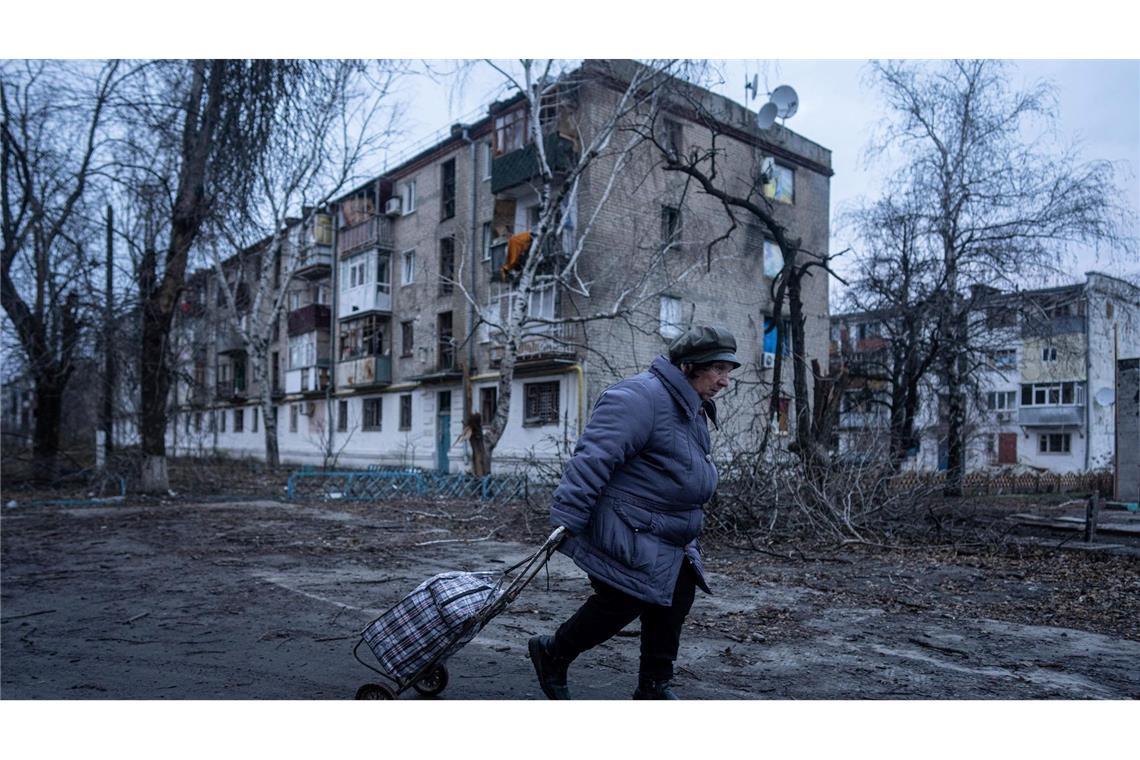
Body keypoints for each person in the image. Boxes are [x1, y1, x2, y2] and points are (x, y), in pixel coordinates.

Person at [528, 325, 739, 699]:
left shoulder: (688, 404)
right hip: (627, 525)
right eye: (718, 369)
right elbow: (593, 457)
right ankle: (553, 652)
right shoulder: (641, 396)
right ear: (690, 366)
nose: (724, 381)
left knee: (677, 594)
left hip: (665, 531)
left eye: (728, 371)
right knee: (626, 597)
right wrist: (568, 519)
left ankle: (654, 687)